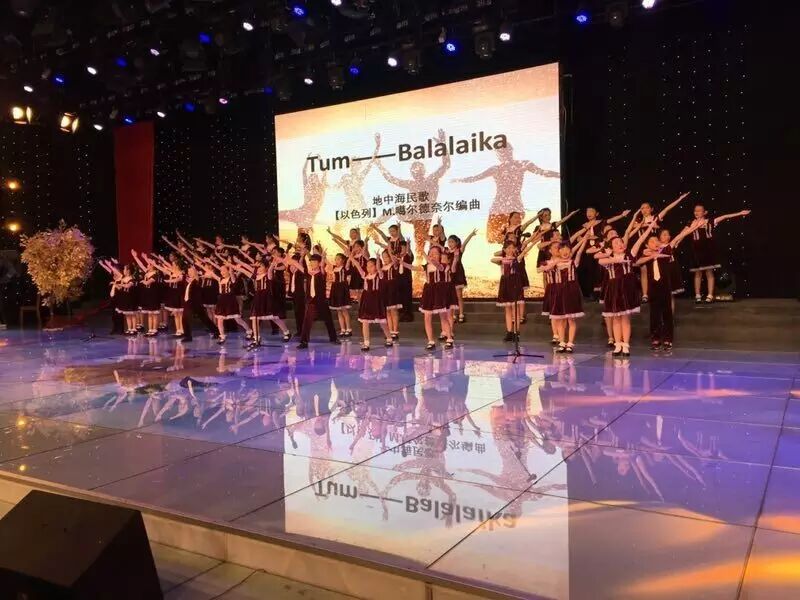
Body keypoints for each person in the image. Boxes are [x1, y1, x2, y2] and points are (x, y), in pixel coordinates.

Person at [450, 142, 561, 242]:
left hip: (512, 208)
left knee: (512, 239)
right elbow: (475, 178)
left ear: (510, 151)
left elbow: (543, 172)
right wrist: (457, 180)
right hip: (499, 209)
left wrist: (562, 174)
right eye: (499, 153)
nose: (502, 155)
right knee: (498, 240)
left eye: (504, 151)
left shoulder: (522, 164)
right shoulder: (498, 168)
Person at [375, 130, 451, 259]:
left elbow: (446, 165)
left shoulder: (431, 180)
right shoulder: (411, 184)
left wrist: (443, 145)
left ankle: (420, 263)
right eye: (413, 170)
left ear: (423, 170)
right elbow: (391, 179)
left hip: (424, 217)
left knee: (419, 246)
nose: (415, 172)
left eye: (418, 169)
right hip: (414, 214)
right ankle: (374, 226)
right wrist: (379, 164)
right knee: (396, 208)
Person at [635, 222, 701, 350]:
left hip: (665, 287)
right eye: (652, 241)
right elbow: (637, 262)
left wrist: (693, 227)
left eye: (656, 241)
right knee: (654, 314)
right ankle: (655, 338)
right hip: (653, 288)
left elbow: (679, 237)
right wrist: (651, 256)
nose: (655, 243)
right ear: (647, 245)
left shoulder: (666, 250)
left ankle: (668, 339)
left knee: (667, 313)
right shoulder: (647, 255)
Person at [598, 223, 651, 357]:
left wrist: (649, 228)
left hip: (627, 289)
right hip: (614, 290)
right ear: (611, 247)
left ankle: (626, 345)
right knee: (616, 318)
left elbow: (640, 240)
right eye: (616, 243)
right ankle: (617, 344)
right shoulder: (608, 258)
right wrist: (614, 258)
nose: (620, 244)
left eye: (621, 242)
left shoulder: (629, 254)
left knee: (625, 319)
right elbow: (599, 261)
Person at [633, 192, 690, 302]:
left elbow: (667, 209)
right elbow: (634, 227)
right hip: (644, 247)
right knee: (644, 270)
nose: (644, 210)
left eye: (646, 208)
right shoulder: (638, 221)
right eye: (642, 208)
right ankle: (645, 294)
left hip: (656, 247)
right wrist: (649, 225)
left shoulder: (656, 218)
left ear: (651, 209)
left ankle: (660, 290)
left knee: (658, 269)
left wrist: (679, 199)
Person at [688, 205, 751, 303]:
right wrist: (676, 241)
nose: (696, 212)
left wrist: (739, 213)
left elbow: (725, 216)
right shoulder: (691, 223)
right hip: (696, 250)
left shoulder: (710, 221)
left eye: (699, 211)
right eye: (695, 210)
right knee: (698, 273)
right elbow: (683, 233)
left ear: (705, 212)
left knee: (709, 272)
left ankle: (710, 295)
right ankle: (697, 295)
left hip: (707, 250)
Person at [543, 235, 590, 353]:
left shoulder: (573, 262)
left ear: (570, 251)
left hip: (571, 292)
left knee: (571, 319)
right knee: (560, 319)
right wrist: (555, 262)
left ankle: (570, 343)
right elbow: (544, 269)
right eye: (562, 249)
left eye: (567, 249)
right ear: (558, 252)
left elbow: (579, 251)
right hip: (559, 293)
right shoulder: (555, 264)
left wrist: (584, 240)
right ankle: (562, 342)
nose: (565, 252)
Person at [285, 252, 340, 349]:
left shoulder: (322, 273)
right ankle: (304, 342)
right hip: (311, 302)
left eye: (314, 262)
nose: (312, 263)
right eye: (311, 262)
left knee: (328, 320)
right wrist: (287, 258)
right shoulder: (308, 273)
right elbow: (297, 264)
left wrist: (323, 258)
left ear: (318, 263)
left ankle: (333, 338)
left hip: (321, 301)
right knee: (306, 322)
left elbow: (322, 267)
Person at [410, 246, 457, 350]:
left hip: (439, 292)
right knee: (427, 317)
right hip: (428, 292)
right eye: (430, 252)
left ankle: (449, 338)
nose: (432, 254)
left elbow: (438, 265)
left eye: (435, 253)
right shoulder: (426, 266)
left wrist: (428, 257)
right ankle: (430, 341)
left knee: (443, 317)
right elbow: (413, 268)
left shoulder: (443, 265)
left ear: (440, 255)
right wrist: (402, 263)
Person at [492, 237, 537, 342]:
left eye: (512, 248)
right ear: (504, 249)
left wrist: (533, 242)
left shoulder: (516, 259)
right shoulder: (502, 260)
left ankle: (516, 332)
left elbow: (524, 251)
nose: (510, 250)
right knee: (507, 309)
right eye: (508, 248)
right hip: (505, 284)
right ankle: (509, 332)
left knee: (515, 309)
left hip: (514, 283)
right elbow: (492, 259)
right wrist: (503, 259)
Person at [347, 252, 394, 351]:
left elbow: (379, 269)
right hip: (366, 300)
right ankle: (366, 342)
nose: (369, 268)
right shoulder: (365, 275)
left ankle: (389, 338)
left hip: (376, 300)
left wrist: (378, 258)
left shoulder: (379, 275)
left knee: (382, 322)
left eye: (371, 266)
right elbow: (357, 265)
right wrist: (351, 257)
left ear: (376, 266)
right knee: (365, 321)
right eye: (367, 266)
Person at [445, 228, 477, 323]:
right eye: (449, 242)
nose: (450, 244)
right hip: (450, 275)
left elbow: (465, 243)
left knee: (459, 296)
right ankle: (454, 314)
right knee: (452, 296)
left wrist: (471, 234)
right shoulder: (447, 252)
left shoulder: (459, 250)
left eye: (452, 242)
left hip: (458, 275)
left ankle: (461, 313)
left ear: (456, 242)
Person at [180, 265, 218, 342]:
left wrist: (194, 267)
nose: (189, 272)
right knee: (202, 318)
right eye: (189, 271)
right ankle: (215, 331)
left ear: (195, 272)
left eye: (191, 271)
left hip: (194, 303)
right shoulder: (190, 280)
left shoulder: (197, 279)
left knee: (187, 318)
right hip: (189, 302)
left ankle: (188, 337)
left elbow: (196, 277)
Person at [130, 250, 162, 336]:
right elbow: (140, 264)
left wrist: (143, 281)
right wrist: (135, 257)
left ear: (152, 266)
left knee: (153, 313)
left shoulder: (155, 274)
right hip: (147, 295)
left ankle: (154, 329)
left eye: (149, 264)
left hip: (153, 295)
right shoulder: (147, 273)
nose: (147, 265)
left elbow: (148, 282)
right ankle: (150, 329)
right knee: (149, 313)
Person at [327, 252, 353, 338]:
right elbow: (327, 263)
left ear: (343, 260)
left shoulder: (345, 268)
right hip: (335, 288)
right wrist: (322, 256)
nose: (336, 260)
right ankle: (342, 329)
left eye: (338, 259)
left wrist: (350, 254)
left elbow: (349, 260)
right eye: (336, 259)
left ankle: (348, 329)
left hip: (342, 289)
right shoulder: (334, 268)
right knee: (339, 310)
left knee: (344, 310)